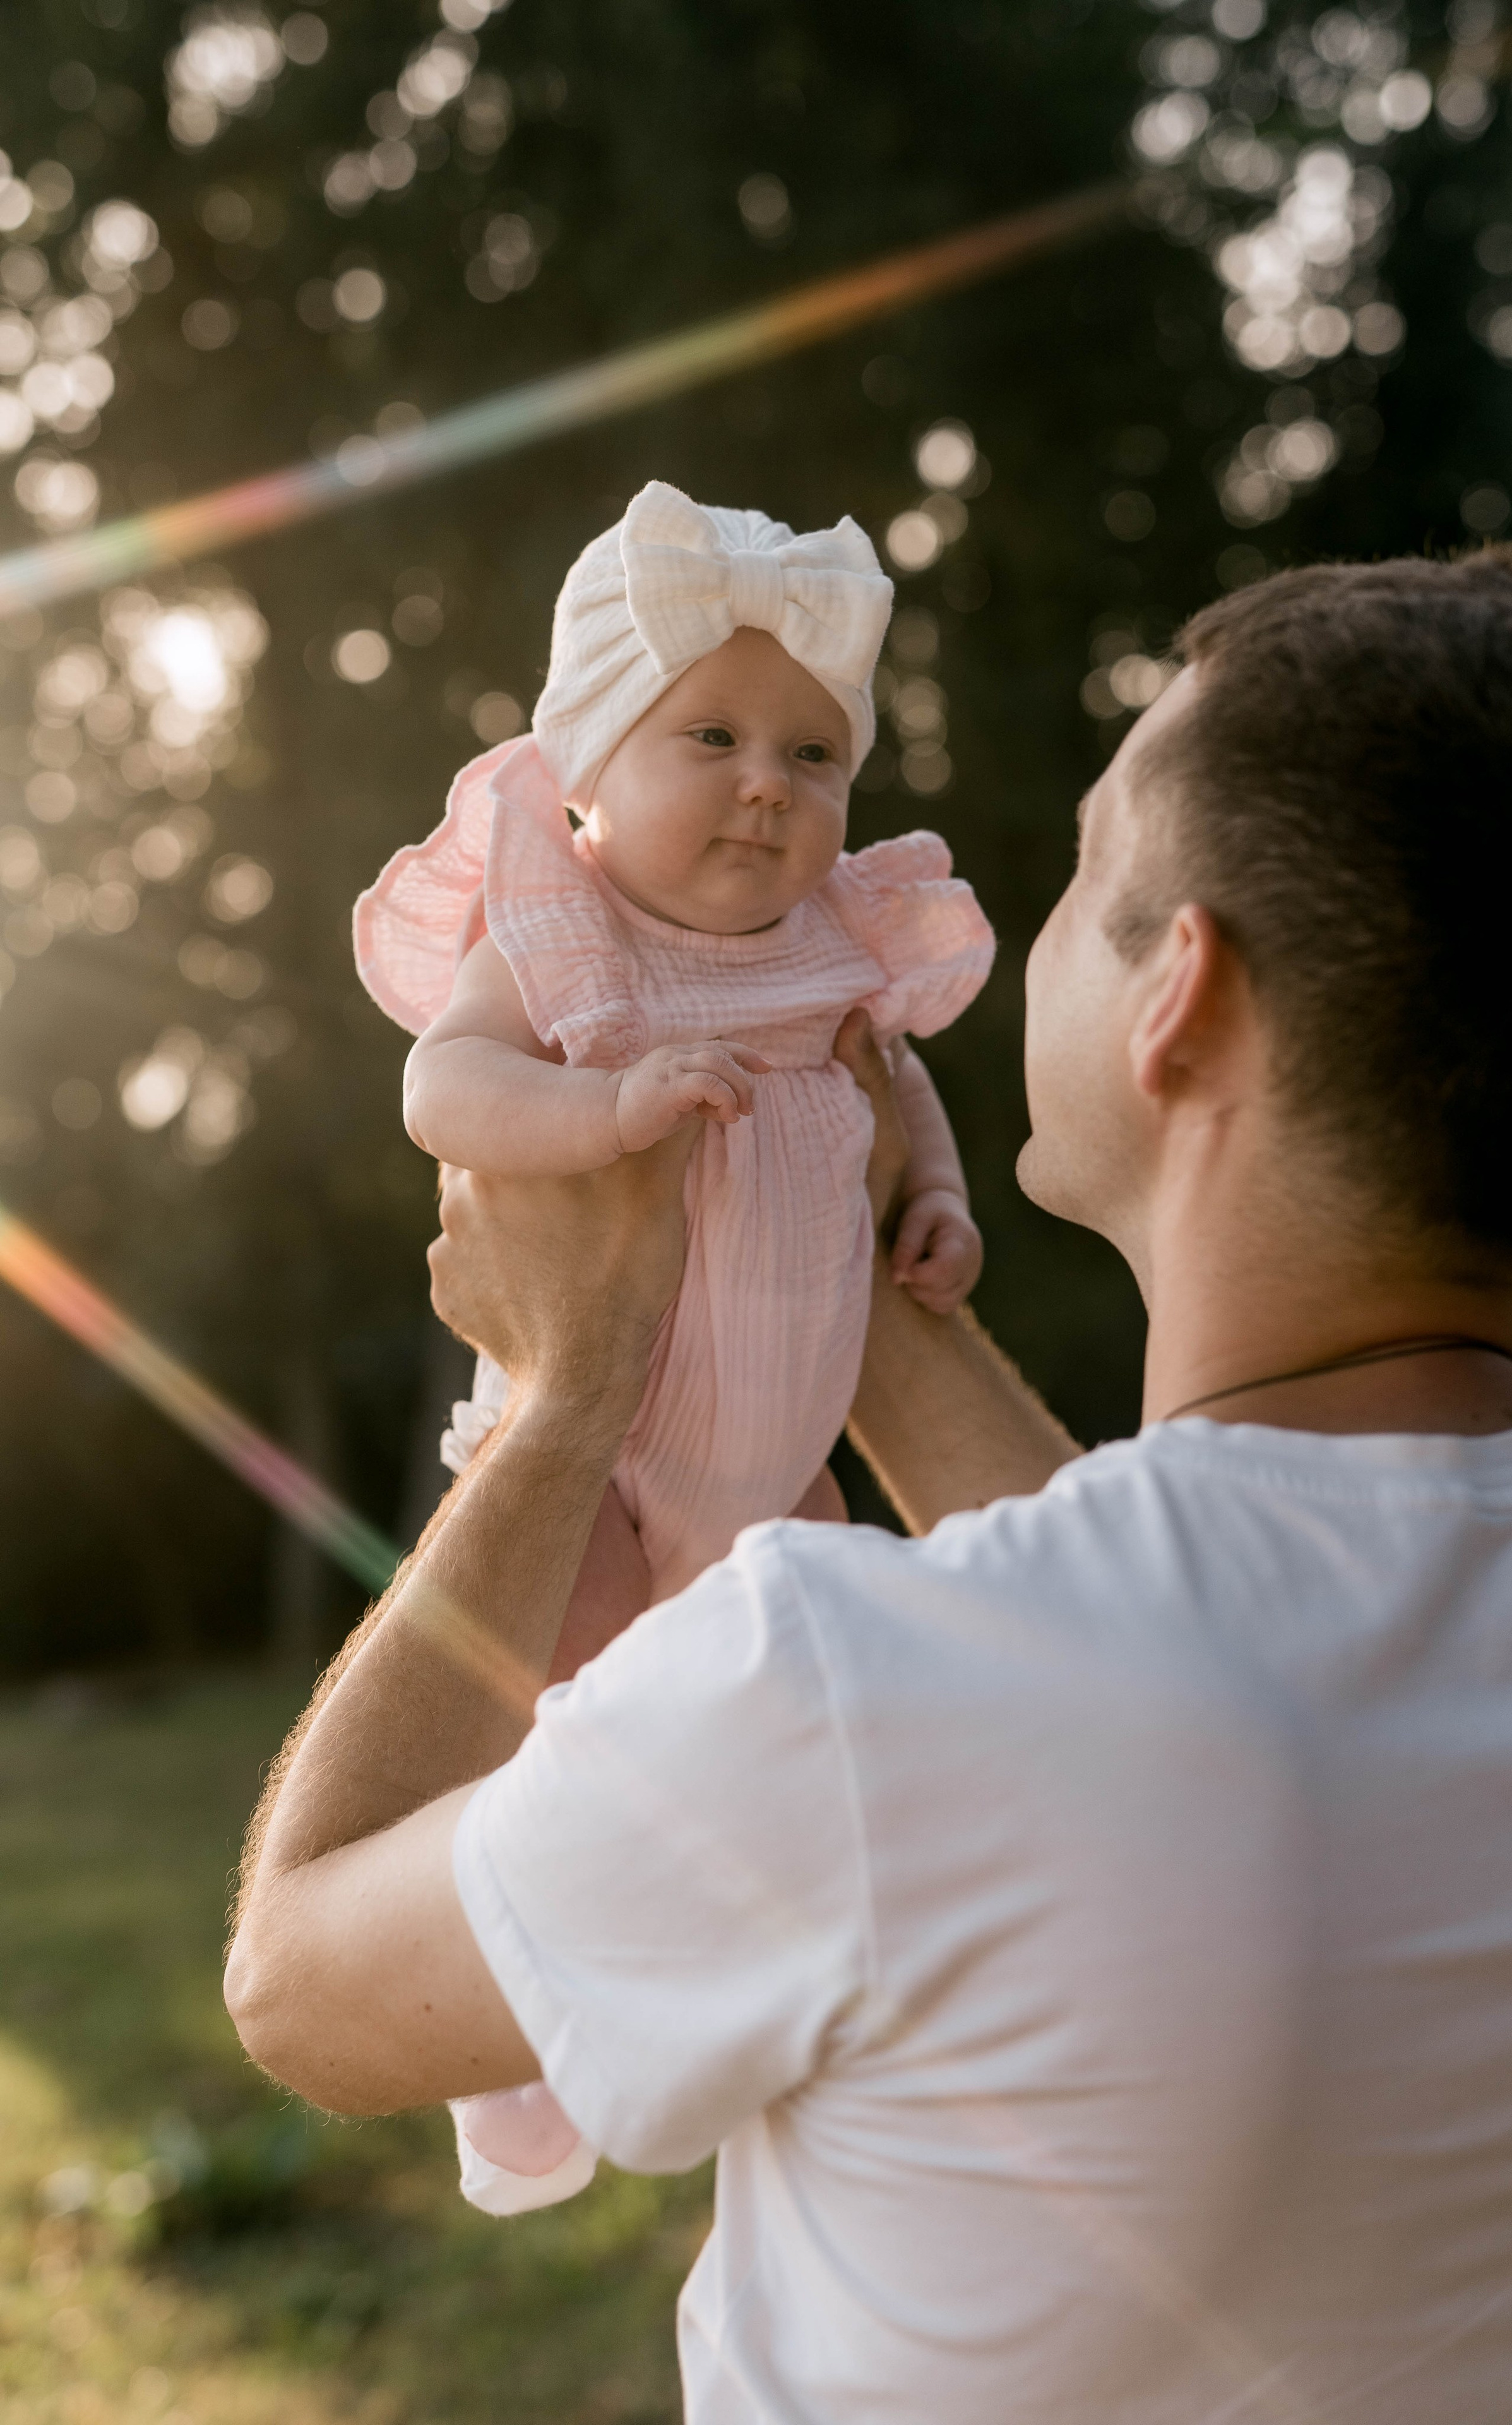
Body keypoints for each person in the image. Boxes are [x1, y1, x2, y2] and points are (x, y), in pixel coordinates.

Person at [227, 551, 1512, 2424]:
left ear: (1181, 1000)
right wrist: (800, 1239)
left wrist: (571, 1397)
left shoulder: (840, 1701)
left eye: (1088, 883)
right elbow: (1173, 1627)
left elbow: (300, 1984)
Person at [352, 479, 992, 2203]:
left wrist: (936, 1196)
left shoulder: (831, 948)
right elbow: (443, 1088)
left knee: (820, 1726)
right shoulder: (564, 929)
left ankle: (765, 1996)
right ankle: (510, 2060)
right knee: (551, 1747)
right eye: (711, 736)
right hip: (603, 1472)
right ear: (587, 764)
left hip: (783, 1474)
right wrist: (612, 1105)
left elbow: (901, 1087)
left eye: (814, 756)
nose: (768, 786)